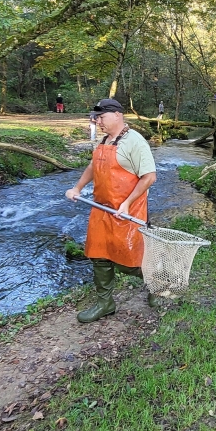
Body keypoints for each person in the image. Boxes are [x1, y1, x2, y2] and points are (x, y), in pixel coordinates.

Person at [65, 98, 157, 323]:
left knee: (129, 260)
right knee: (99, 256)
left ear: (117, 115)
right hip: (101, 210)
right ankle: (105, 303)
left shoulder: (135, 141)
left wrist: (127, 202)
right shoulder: (104, 140)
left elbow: (149, 177)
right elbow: (93, 167)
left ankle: (157, 284)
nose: (98, 122)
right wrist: (77, 187)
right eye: (96, 118)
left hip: (127, 212)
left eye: (101, 117)